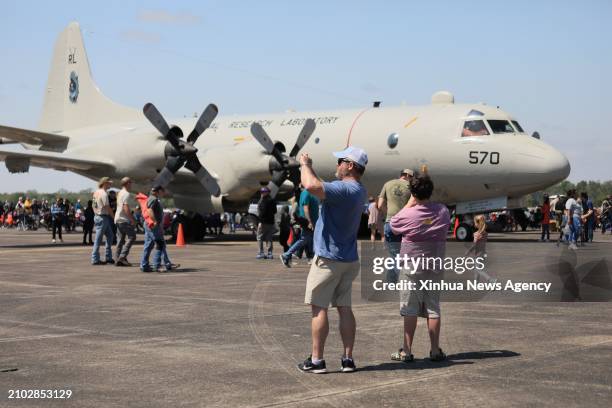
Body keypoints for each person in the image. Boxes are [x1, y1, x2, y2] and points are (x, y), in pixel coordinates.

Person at [297, 146, 368, 374]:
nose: (337, 165)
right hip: (349, 259)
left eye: (340, 161)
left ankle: (317, 360)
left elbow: (311, 186)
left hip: (329, 259)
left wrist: (305, 165)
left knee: (319, 309)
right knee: (344, 308)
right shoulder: (359, 191)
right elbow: (321, 186)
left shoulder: (342, 189)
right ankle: (348, 359)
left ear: (350, 166)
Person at [390, 173, 451, 362]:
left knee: (409, 309)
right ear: (430, 191)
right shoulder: (442, 211)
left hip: (411, 266)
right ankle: (434, 350)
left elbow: (393, 225)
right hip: (434, 266)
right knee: (433, 308)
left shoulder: (408, 213)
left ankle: (406, 351)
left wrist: (410, 202)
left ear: (413, 193)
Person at [378, 169, 413, 283]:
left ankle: (390, 280)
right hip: (404, 224)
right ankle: (402, 281)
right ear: (408, 176)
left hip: (390, 222)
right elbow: (412, 205)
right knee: (402, 256)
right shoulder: (410, 186)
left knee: (394, 254)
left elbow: (379, 205)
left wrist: (388, 214)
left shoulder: (387, 184)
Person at [140, 186, 179, 272]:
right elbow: (149, 210)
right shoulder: (153, 199)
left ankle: (144, 265)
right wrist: (155, 222)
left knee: (149, 245)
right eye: (162, 191)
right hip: (152, 225)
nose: (164, 192)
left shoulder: (154, 198)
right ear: (158, 191)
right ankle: (156, 265)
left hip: (151, 225)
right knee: (160, 243)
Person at [280, 186, 320, 267]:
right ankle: (287, 254)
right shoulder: (306, 193)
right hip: (308, 222)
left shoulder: (313, 193)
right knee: (305, 239)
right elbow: (305, 208)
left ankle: (313, 257)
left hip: (314, 222)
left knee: (308, 239)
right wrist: (309, 221)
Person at [91, 177, 115, 265]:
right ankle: (95, 259)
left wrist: (96, 213)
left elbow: (93, 205)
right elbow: (107, 207)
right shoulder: (104, 194)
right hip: (102, 217)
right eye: (109, 183)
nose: (110, 184)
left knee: (110, 235)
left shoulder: (96, 192)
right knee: (98, 238)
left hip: (98, 216)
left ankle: (108, 257)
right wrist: (114, 217)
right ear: (105, 183)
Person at [114, 177, 138, 266]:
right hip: (124, 219)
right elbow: (126, 207)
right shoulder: (126, 194)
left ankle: (117, 259)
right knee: (132, 237)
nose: (132, 184)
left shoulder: (120, 192)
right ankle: (122, 257)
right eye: (131, 182)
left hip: (118, 218)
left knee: (120, 240)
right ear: (127, 183)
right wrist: (133, 219)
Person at [465, 214, 495, 283]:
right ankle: (476, 284)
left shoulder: (476, 234)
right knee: (477, 269)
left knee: (478, 270)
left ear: (478, 223)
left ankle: (491, 280)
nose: (474, 223)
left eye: (475, 222)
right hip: (483, 253)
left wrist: (468, 251)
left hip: (478, 254)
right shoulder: (485, 233)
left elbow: (475, 245)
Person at [256, 187, 277, 259]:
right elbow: (275, 211)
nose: (261, 193)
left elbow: (262, 212)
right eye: (261, 192)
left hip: (263, 222)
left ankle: (261, 253)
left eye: (263, 192)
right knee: (269, 238)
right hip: (270, 222)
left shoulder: (263, 201)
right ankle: (270, 253)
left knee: (259, 237)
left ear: (267, 192)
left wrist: (260, 221)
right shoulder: (272, 200)